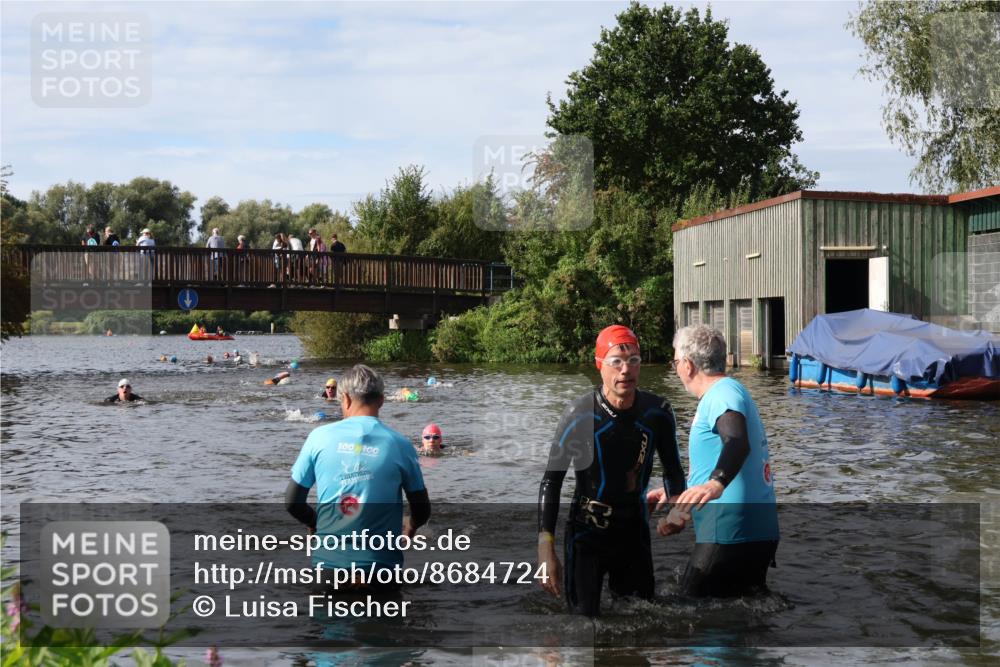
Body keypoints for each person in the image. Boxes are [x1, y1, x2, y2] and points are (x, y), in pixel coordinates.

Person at [537, 325, 687, 617]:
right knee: (583, 625)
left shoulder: (658, 412)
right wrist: (545, 547)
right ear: (599, 365)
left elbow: (673, 470)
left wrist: (677, 507)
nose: (625, 370)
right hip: (587, 532)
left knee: (642, 622)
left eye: (634, 360)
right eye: (616, 361)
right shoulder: (579, 414)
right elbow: (551, 481)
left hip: (634, 531)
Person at [650, 324, 779, 598]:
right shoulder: (732, 391)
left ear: (687, 365)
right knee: (741, 620)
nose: (676, 369)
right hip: (759, 531)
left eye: (675, 362)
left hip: (729, 531)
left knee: (692, 619)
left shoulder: (721, 394)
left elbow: (736, 441)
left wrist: (715, 484)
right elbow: (728, 456)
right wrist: (683, 491)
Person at [286, 364, 431, 581]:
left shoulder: (318, 437)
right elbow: (421, 508)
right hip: (381, 569)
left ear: (345, 399)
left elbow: (292, 502)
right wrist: (410, 527)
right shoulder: (400, 445)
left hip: (329, 567)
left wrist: (314, 522)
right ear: (381, 400)